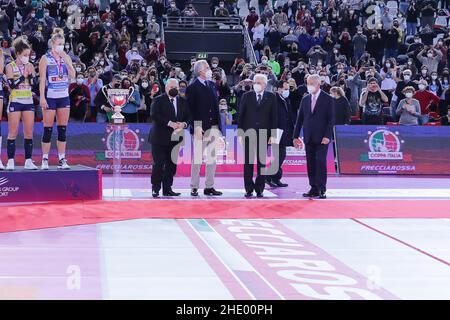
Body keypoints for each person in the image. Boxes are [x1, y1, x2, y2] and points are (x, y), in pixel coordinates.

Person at [293, 74, 335, 199]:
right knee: (310, 163)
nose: (309, 86)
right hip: (308, 136)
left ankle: (322, 188)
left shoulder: (328, 99)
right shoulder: (305, 99)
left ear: (318, 84)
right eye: (308, 83)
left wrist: (327, 135)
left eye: (311, 84)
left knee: (320, 162)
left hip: (322, 138)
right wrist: (295, 136)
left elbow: (331, 119)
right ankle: (313, 187)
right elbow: (300, 119)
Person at [39, 32, 76, 170]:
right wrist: (42, 97)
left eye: (63, 44)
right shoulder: (45, 58)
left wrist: (67, 61)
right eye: (59, 44)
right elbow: (42, 79)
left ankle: (62, 159)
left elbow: (73, 75)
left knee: (62, 129)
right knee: (48, 129)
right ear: (53, 44)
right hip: (50, 97)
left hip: (63, 97)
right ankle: (44, 159)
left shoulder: (66, 57)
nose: (61, 47)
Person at [186, 60, 223, 197]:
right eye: (207, 67)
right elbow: (189, 110)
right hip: (199, 128)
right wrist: (196, 126)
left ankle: (209, 186)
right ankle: (194, 186)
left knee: (212, 158)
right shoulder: (192, 87)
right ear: (201, 71)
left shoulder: (212, 85)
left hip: (213, 126)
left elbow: (215, 106)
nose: (210, 70)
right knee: (197, 158)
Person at [149, 78, 191, 198]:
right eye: (172, 87)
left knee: (171, 165)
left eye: (176, 87)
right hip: (159, 138)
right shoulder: (158, 100)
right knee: (159, 164)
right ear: (166, 88)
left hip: (175, 138)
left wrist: (184, 124)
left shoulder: (183, 101)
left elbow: (189, 116)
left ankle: (167, 188)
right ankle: (155, 188)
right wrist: (170, 123)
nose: (174, 89)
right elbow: (154, 115)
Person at [238, 74, 277, 198]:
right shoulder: (246, 96)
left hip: (264, 134)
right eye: (255, 82)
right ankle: (248, 188)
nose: (256, 84)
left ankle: (260, 188)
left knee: (262, 163)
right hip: (248, 134)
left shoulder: (271, 97)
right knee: (248, 163)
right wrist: (240, 133)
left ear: (265, 84)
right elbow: (241, 115)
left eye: (259, 82)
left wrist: (273, 135)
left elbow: (274, 117)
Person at [5, 37, 37, 170]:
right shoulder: (10, 66)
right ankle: (10, 161)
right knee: (12, 133)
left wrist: (30, 75)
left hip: (28, 101)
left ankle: (28, 160)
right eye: (24, 55)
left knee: (29, 133)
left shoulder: (30, 66)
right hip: (16, 101)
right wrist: (24, 76)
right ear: (18, 54)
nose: (27, 57)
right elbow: (12, 85)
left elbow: (34, 84)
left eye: (28, 55)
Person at [266, 80, 293, 189]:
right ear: (279, 88)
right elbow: (270, 117)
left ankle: (276, 178)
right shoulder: (274, 99)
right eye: (285, 89)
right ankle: (268, 176)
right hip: (276, 131)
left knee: (281, 155)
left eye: (288, 89)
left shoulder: (285, 100)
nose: (287, 91)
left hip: (284, 131)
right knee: (280, 155)